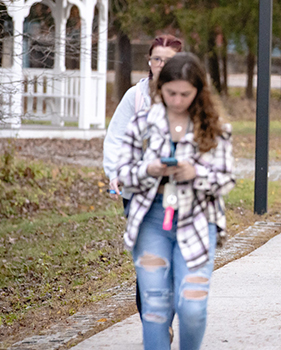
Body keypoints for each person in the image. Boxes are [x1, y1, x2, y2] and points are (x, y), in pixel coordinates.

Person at [116, 52, 234, 350]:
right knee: (155, 309)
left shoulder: (215, 126)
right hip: (151, 220)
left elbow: (226, 179)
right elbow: (122, 173)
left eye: (185, 94)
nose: (178, 100)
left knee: (192, 307)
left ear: (198, 91)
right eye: (171, 93)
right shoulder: (143, 122)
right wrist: (150, 169)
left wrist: (195, 173)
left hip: (197, 219)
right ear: (161, 88)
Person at [102, 34, 182, 337]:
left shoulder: (188, 96)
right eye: (156, 59)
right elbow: (115, 138)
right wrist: (115, 172)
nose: (161, 65)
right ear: (149, 62)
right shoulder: (135, 97)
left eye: (168, 60)